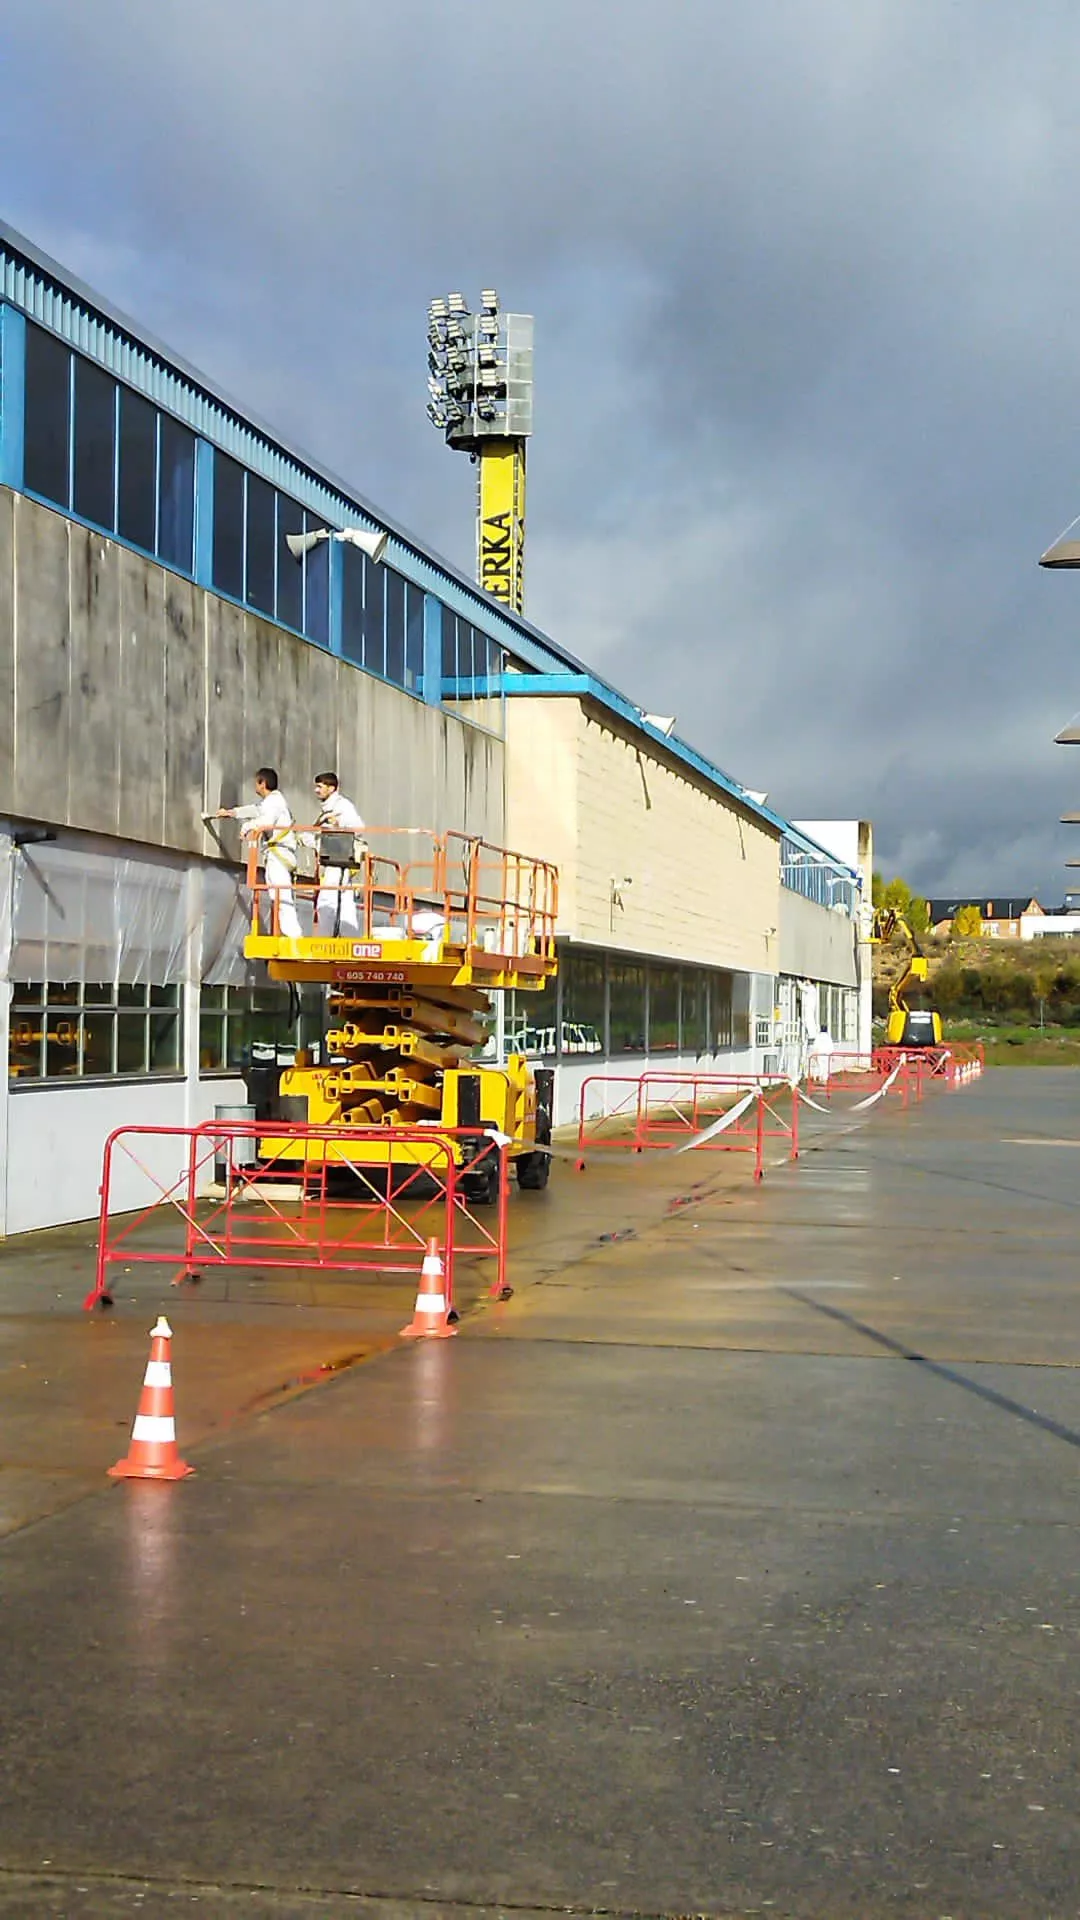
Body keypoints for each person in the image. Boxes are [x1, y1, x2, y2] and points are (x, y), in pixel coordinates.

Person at [217, 768, 303, 940]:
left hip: (279, 852)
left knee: (280, 893)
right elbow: (255, 810)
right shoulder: (271, 802)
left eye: (256, 782)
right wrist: (232, 813)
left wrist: (247, 827)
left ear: (262, 783)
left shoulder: (274, 802)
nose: (254, 786)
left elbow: (265, 821)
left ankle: (293, 936)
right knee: (276, 893)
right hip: (277, 853)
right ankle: (291, 934)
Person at [310, 772, 366, 936]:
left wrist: (339, 823)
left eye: (320, 787)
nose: (316, 790)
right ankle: (350, 936)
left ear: (331, 788)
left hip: (339, 861)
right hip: (334, 859)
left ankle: (325, 939)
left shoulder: (342, 806)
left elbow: (359, 828)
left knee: (327, 900)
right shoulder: (328, 809)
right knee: (345, 899)